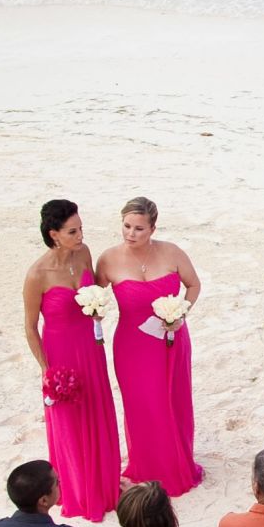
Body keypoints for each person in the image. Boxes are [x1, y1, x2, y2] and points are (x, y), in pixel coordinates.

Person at [22, 198, 121, 525]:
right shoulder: (37, 274)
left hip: (90, 348)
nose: (80, 236)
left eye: (81, 229)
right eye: (72, 231)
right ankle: (79, 490)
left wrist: (97, 310)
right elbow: (29, 326)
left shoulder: (84, 253)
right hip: (60, 354)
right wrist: (46, 370)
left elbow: (92, 294)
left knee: (98, 411)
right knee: (69, 422)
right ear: (54, 234)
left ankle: (105, 485)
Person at [96, 195, 202, 497]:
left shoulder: (172, 253)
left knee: (173, 399)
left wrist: (181, 311)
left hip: (171, 339)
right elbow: (95, 298)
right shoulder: (107, 260)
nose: (131, 233)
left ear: (153, 228)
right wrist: (95, 314)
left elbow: (194, 284)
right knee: (142, 404)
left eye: (139, 228)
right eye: (127, 226)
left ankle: (176, 462)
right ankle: (147, 465)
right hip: (132, 345)